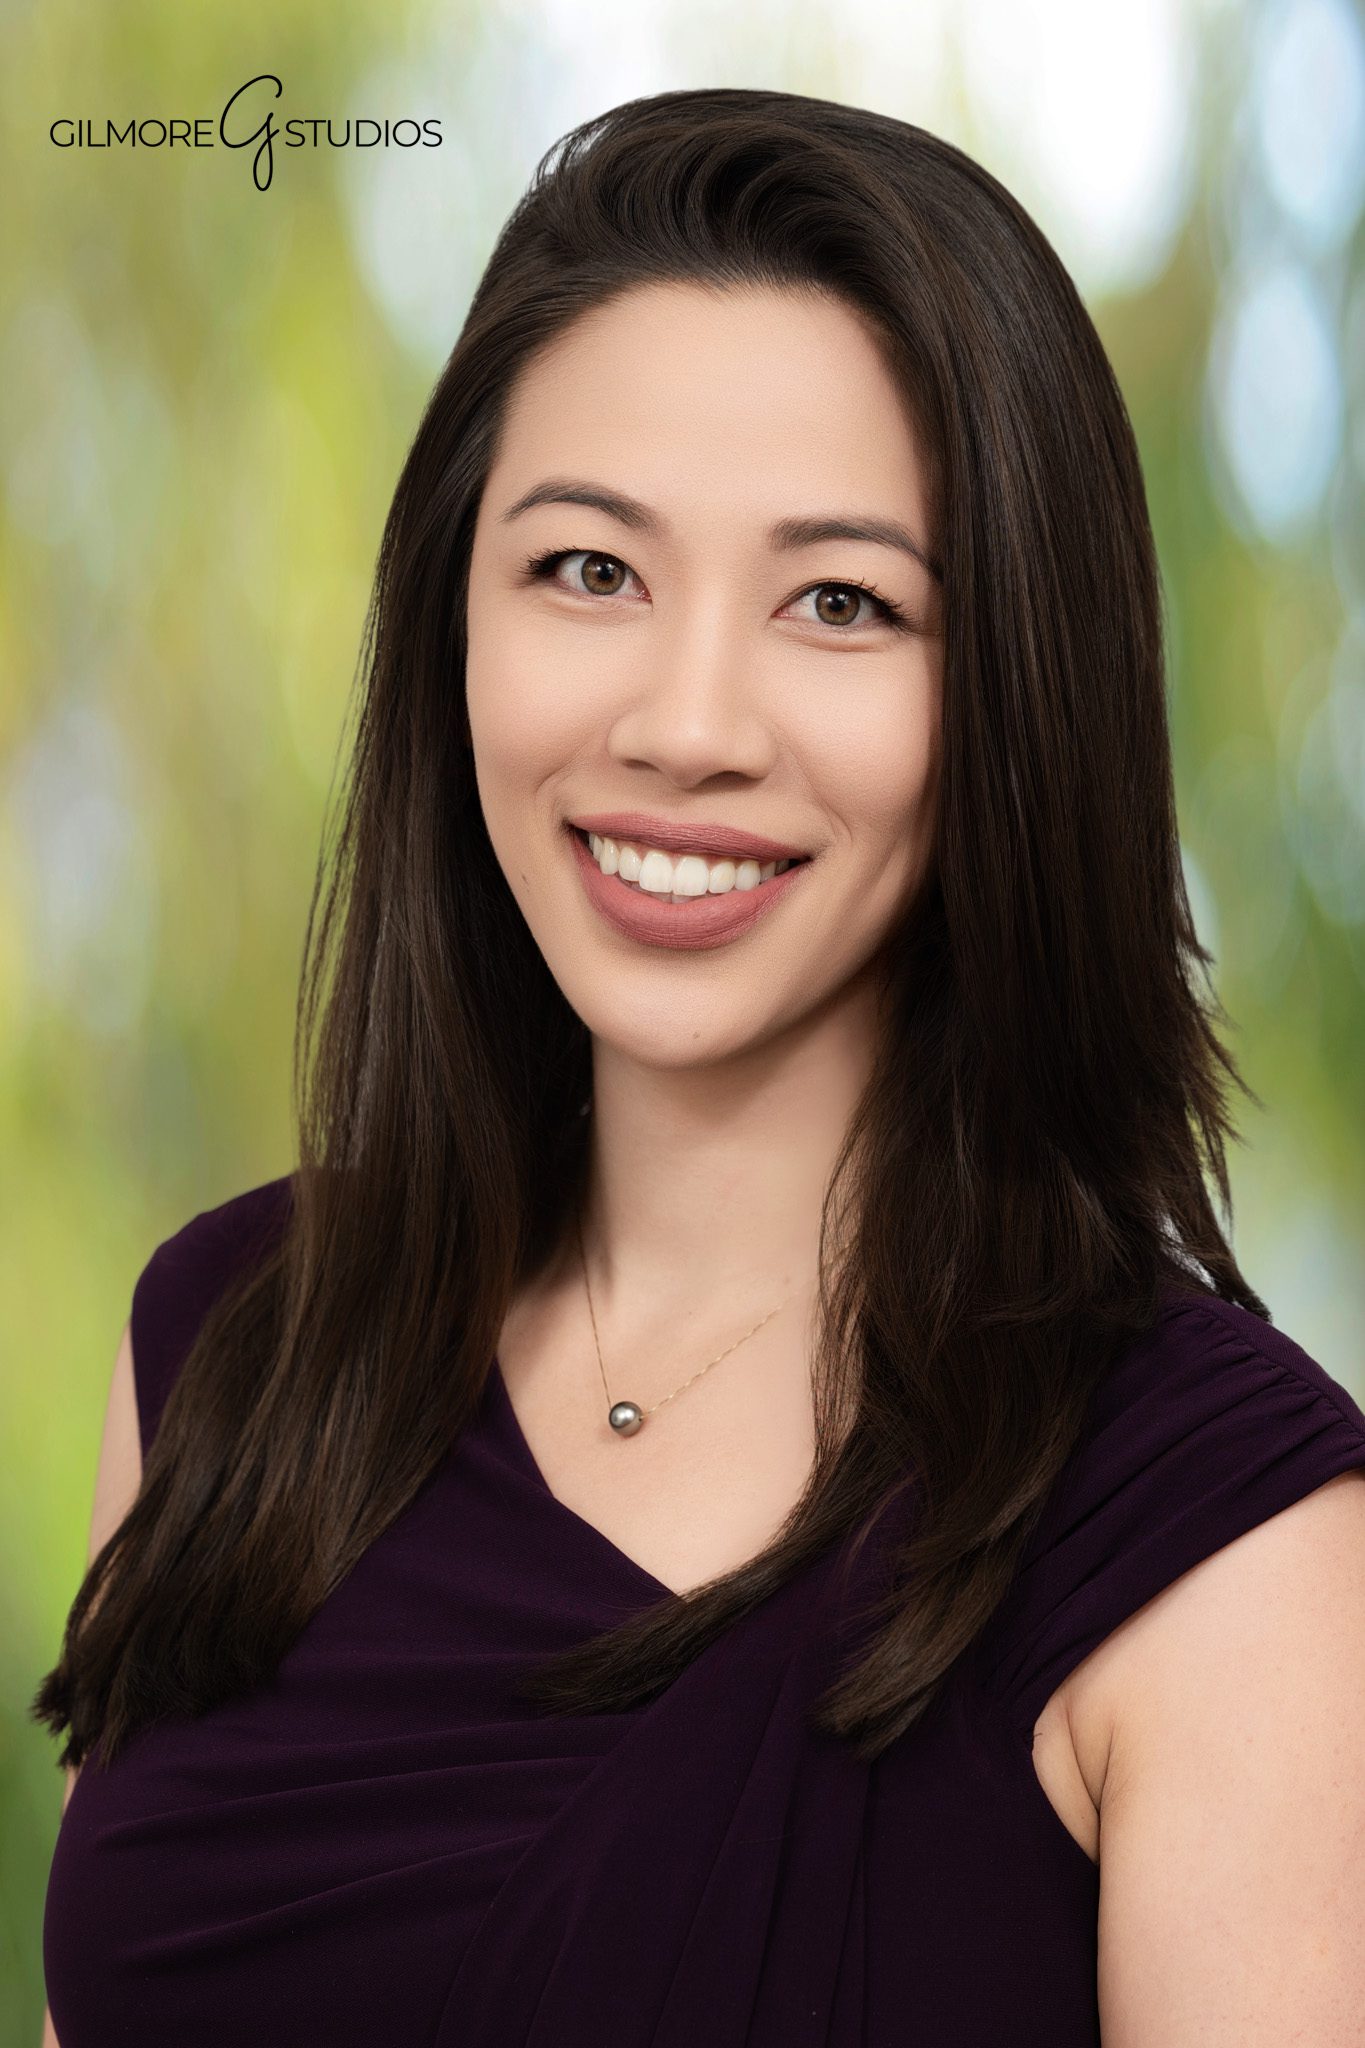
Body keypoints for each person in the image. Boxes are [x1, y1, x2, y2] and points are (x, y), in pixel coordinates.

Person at [34, 86, 1365, 2047]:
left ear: (1015, 685)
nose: (685, 721)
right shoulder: (228, 1344)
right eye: (588, 569)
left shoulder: (1230, 1549)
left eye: (839, 602)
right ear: (447, 622)